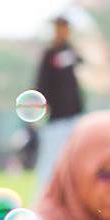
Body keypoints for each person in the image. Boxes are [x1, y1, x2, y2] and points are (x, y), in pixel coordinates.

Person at [32, 15, 85, 192]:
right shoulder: (49, 54)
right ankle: (45, 196)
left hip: (74, 114)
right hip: (56, 118)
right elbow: (41, 84)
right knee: (50, 160)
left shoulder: (70, 51)